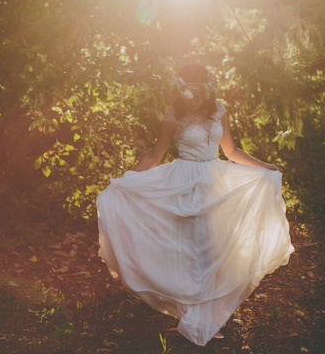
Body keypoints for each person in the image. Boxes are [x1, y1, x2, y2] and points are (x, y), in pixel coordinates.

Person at [96, 64, 294, 346]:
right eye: (186, 90)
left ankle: (203, 316)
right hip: (184, 183)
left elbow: (231, 151)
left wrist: (264, 167)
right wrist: (126, 180)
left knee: (214, 249)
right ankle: (191, 314)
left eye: (196, 90)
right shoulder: (173, 115)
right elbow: (155, 154)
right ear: (180, 90)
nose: (191, 97)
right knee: (192, 249)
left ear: (207, 89)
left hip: (214, 182)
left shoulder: (218, 111)